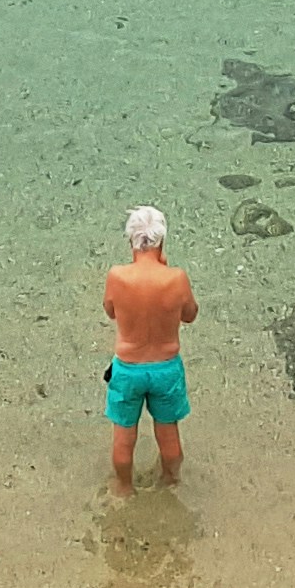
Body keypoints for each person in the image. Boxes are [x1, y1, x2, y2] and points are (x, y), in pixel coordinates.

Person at [103, 204, 198, 495]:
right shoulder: (176, 278)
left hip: (128, 368)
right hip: (165, 367)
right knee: (168, 431)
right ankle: (170, 482)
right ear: (162, 241)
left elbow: (110, 311)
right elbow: (190, 314)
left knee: (124, 435)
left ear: (130, 241)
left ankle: (123, 487)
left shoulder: (117, 276)